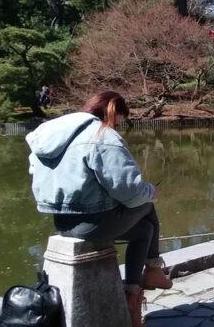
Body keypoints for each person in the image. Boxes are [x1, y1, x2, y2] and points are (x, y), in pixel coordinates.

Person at [25, 91, 171, 327]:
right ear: (113, 111)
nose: (120, 126)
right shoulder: (102, 135)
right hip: (93, 223)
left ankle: (136, 294)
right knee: (146, 205)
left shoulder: (49, 134)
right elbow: (128, 189)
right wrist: (150, 192)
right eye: (121, 120)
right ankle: (149, 273)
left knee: (144, 230)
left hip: (61, 222)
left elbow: (37, 174)